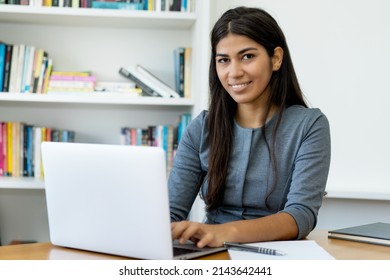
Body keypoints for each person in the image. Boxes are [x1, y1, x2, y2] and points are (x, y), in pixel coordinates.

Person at [169, 6, 331, 248]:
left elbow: (301, 215)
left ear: (276, 58)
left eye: (247, 56)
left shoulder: (309, 125)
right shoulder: (201, 128)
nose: (234, 72)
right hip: (211, 253)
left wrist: (224, 232)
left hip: (279, 253)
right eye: (223, 60)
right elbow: (171, 212)